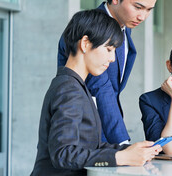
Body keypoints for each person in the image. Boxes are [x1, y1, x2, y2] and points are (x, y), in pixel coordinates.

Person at [31, 10, 161, 176]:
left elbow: (89, 146)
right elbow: (63, 154)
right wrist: (120, 157)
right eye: (108, 49)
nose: (113, 58)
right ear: (85, 43)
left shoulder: (75, 85)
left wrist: (129, 150)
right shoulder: (69, 89)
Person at [57, 0, 165, 144]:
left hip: (104, 135)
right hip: (81, 138)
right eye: (138, 7)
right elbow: (102, 89)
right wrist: (123, 144)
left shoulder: (124, 28)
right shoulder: (89, 29)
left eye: (149, 10)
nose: (143, 16)